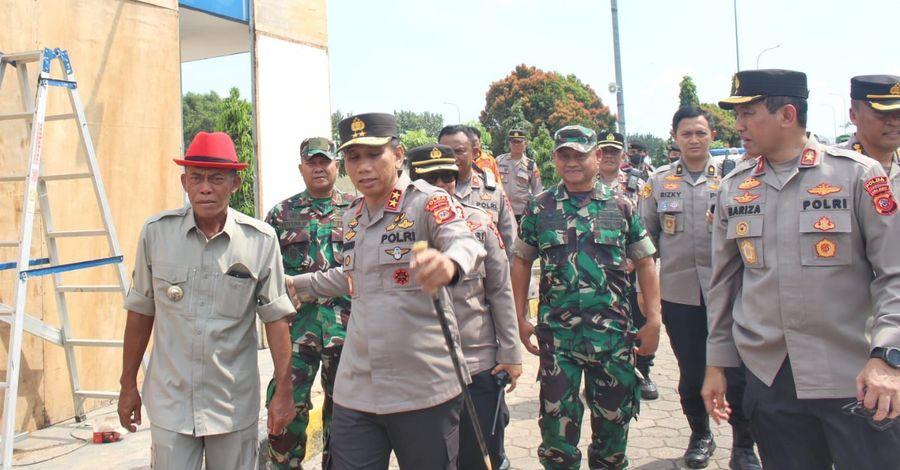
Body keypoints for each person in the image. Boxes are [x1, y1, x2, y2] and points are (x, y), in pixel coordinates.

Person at [702, 69, 900, 470]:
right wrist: (716, 365)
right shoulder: (734, 187)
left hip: (854, 376)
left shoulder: (857, 176)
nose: (738, 125)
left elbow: (893, 273)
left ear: (787, 115)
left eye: (748, 113)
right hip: (771, 378)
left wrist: (887, 357)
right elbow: (724, 284)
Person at [287, 113, 485, 470]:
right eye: (353, 157)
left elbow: (464, 241)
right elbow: (353, 276)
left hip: (423, 386)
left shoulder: (428, 202)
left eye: (373, 155)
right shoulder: (352, 216)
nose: (362, 167)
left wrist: (449, 265)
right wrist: (297, 285)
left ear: (398, 154)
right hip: (358, 387)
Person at [118, 131, 296, 470]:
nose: (205, 187)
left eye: (216, 178)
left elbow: (275, 319)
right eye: (196, 178)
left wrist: (283, 392)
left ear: (235, 183)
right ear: (184, 182)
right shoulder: (156, 233)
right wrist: (128, 384)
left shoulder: (259, 240)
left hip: (232, 405)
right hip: (171, 403)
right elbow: (141, 313)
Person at [511, 125, 662, 469]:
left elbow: (645, 261)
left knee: (613, 432)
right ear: (554, 159)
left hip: (612, 338)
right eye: (565, 155)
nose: (572, 162)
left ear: (596, 157)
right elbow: (521, 261)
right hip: (558, 340)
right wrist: (520, 316)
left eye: (580, 154)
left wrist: (653, 319)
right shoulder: (540, 208)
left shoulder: (620, 205)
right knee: (556, 433)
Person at [640, 108, 759, 470]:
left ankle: (743, 446)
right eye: (687, 133)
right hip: (681, 297)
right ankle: (700, 435)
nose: (694, 140)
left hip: (731, 295)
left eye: (700, 133)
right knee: (692, 373)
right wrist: (645, 299)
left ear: (712, 136)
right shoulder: (658, 183)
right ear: (674, 137)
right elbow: (645, 244)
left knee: (737, 373)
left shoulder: (735, 178)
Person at [407, 144, 522, 470]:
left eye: (448, 177)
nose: (441, 185)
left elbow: (500, 290)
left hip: (476, 362)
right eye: (430, 178)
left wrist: (511, 354)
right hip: (421, 370)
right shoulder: (395, 232)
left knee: (480, 457)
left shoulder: (481, 224)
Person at [263, 137, 356, 468]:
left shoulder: (358, 210)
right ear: (301, 167)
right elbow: (268, 276)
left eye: (325, 161)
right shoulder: (280, 215)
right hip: (296, 334)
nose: (319, 167)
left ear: (336, 166)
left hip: (348, 331)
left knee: (347, 417)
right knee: (286, 411)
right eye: (311, 162)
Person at [596, 131, 659, 402]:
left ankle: (643, 371)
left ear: (622, 154)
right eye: (604, 151)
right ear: (596, 154)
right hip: (597, 268)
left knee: (639, 316)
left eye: (614, 151)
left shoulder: (637, 183)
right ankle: (601, 373)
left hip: (633, 266)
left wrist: (634, 259)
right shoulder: (584, 183)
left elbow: (648, 224)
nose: (609, 156)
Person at [439, 125, 518, 257]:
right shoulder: (428, 193)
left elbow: (512, 245)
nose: (452, 158)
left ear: (474, 153)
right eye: (446, 152)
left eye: (459, 151)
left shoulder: (494, 193)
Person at [840, 75, 900, 189]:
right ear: (854, 116)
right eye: (882, 113)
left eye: (899, 113)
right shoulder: (830, 168)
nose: (895, 122)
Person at [496, 129, 543, 224]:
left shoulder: (530, 165)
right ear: (509, 144)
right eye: (513, 142)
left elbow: (537, 189)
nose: (516, 145)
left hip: (522, 211)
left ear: (525, 144)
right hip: (502, 209)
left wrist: (535, 210)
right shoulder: (499, 160)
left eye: (519, 142)